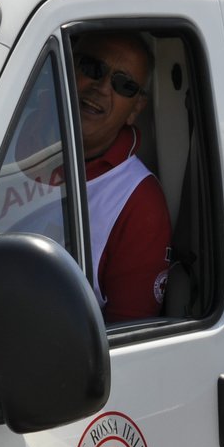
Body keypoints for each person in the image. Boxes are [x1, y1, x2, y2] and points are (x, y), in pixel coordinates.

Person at [70, 31, 172, 322]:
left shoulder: (139, 202)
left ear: (135, 110)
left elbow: (125, 343)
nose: (102, 87)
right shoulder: (0, 132)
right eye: (92, 68)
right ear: (65, 67)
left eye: (123, 85)